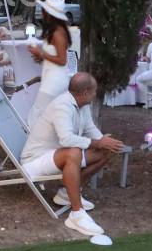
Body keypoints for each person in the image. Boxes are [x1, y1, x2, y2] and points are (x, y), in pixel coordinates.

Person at [20, 72, 124, 237]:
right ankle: (76, 214)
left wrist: (105, 141)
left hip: (57, 155)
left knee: (106, 148)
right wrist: (97, 143)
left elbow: (90, 129)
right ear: (85, 93)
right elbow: (66, 139)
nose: (95, 94)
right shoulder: (62, 106)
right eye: (94, 91)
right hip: (35, 160)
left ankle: (65, 194)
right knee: (73, 153)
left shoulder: (82, 105)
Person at [27, 0, 74, 127]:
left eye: (43, 10)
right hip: (52, 78)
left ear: (48, 14)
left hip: (55, 82)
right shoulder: (55, 31)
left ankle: (35, 146)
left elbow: (62, 60)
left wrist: (41, 53)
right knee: (50, 118)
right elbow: (54, 57)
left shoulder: (58, 33)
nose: (41, 13)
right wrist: (40, 57)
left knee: (36, 116)